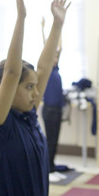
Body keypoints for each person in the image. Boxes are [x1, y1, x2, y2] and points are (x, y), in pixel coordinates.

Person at [0, 0, 70, 196]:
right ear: (7, 89)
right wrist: (21, 18)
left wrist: (57, 25)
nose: (36, 93)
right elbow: (12, 72)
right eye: (29, 87)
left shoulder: (28, 115)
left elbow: (44, 67)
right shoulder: (0, 124)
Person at [41, 17, 67, 182]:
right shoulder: (47, 68)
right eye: (54, 56)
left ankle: (52, 166)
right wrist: (44, 29)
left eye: (57, 56)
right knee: (50, 140)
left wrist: (60, 27)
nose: (55, 57)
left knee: (55, 140)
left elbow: (60, 47)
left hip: (57, 109)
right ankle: (48, 170)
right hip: (49, 110)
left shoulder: (56, 68)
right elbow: (48, 46)